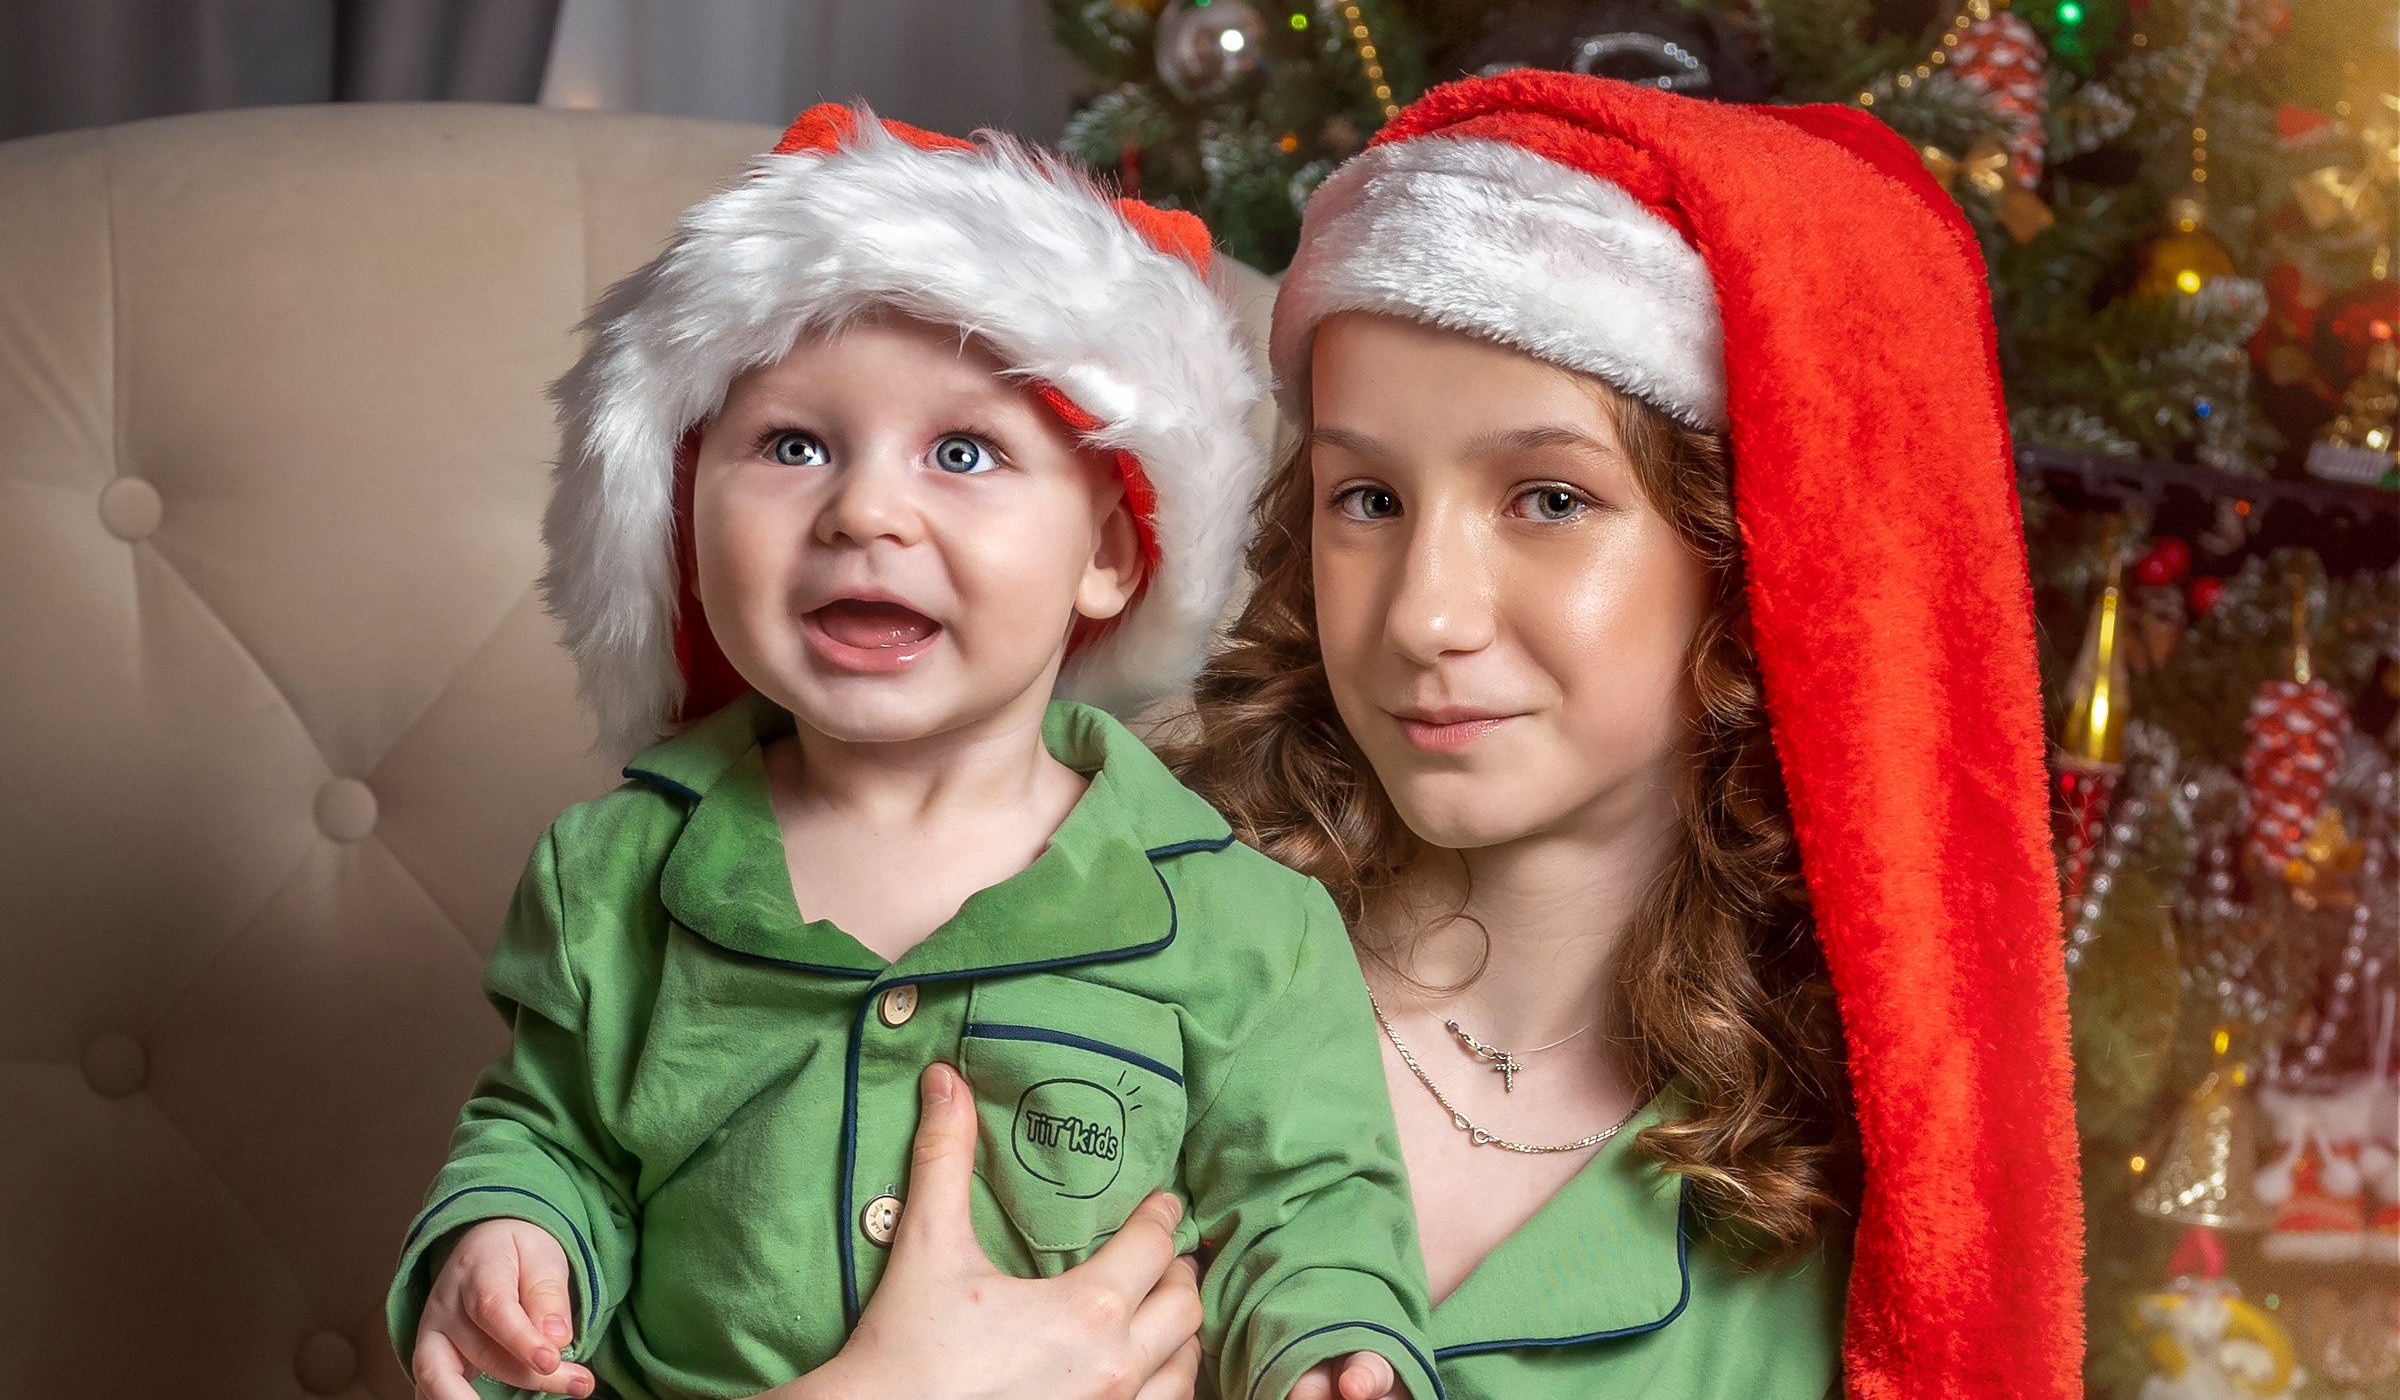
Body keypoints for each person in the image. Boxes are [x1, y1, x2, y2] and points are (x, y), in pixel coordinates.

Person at [385, 107, 1439, 1400]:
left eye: (962, 451)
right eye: (793, 444)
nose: (866, 509)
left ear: (1110, 552)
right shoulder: (615, 872)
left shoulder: (1240, 919)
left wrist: (1336, 1346)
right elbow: (554, 1132)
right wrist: (512, 1233)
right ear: (684, 504)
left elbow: (1313, 1195)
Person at [1169, 69, 2087, 1398]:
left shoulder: (1860, 1197)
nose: (1425, 613)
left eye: (1547, 497)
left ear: (1751, 552)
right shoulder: (1133, 942)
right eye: (1364, 496)